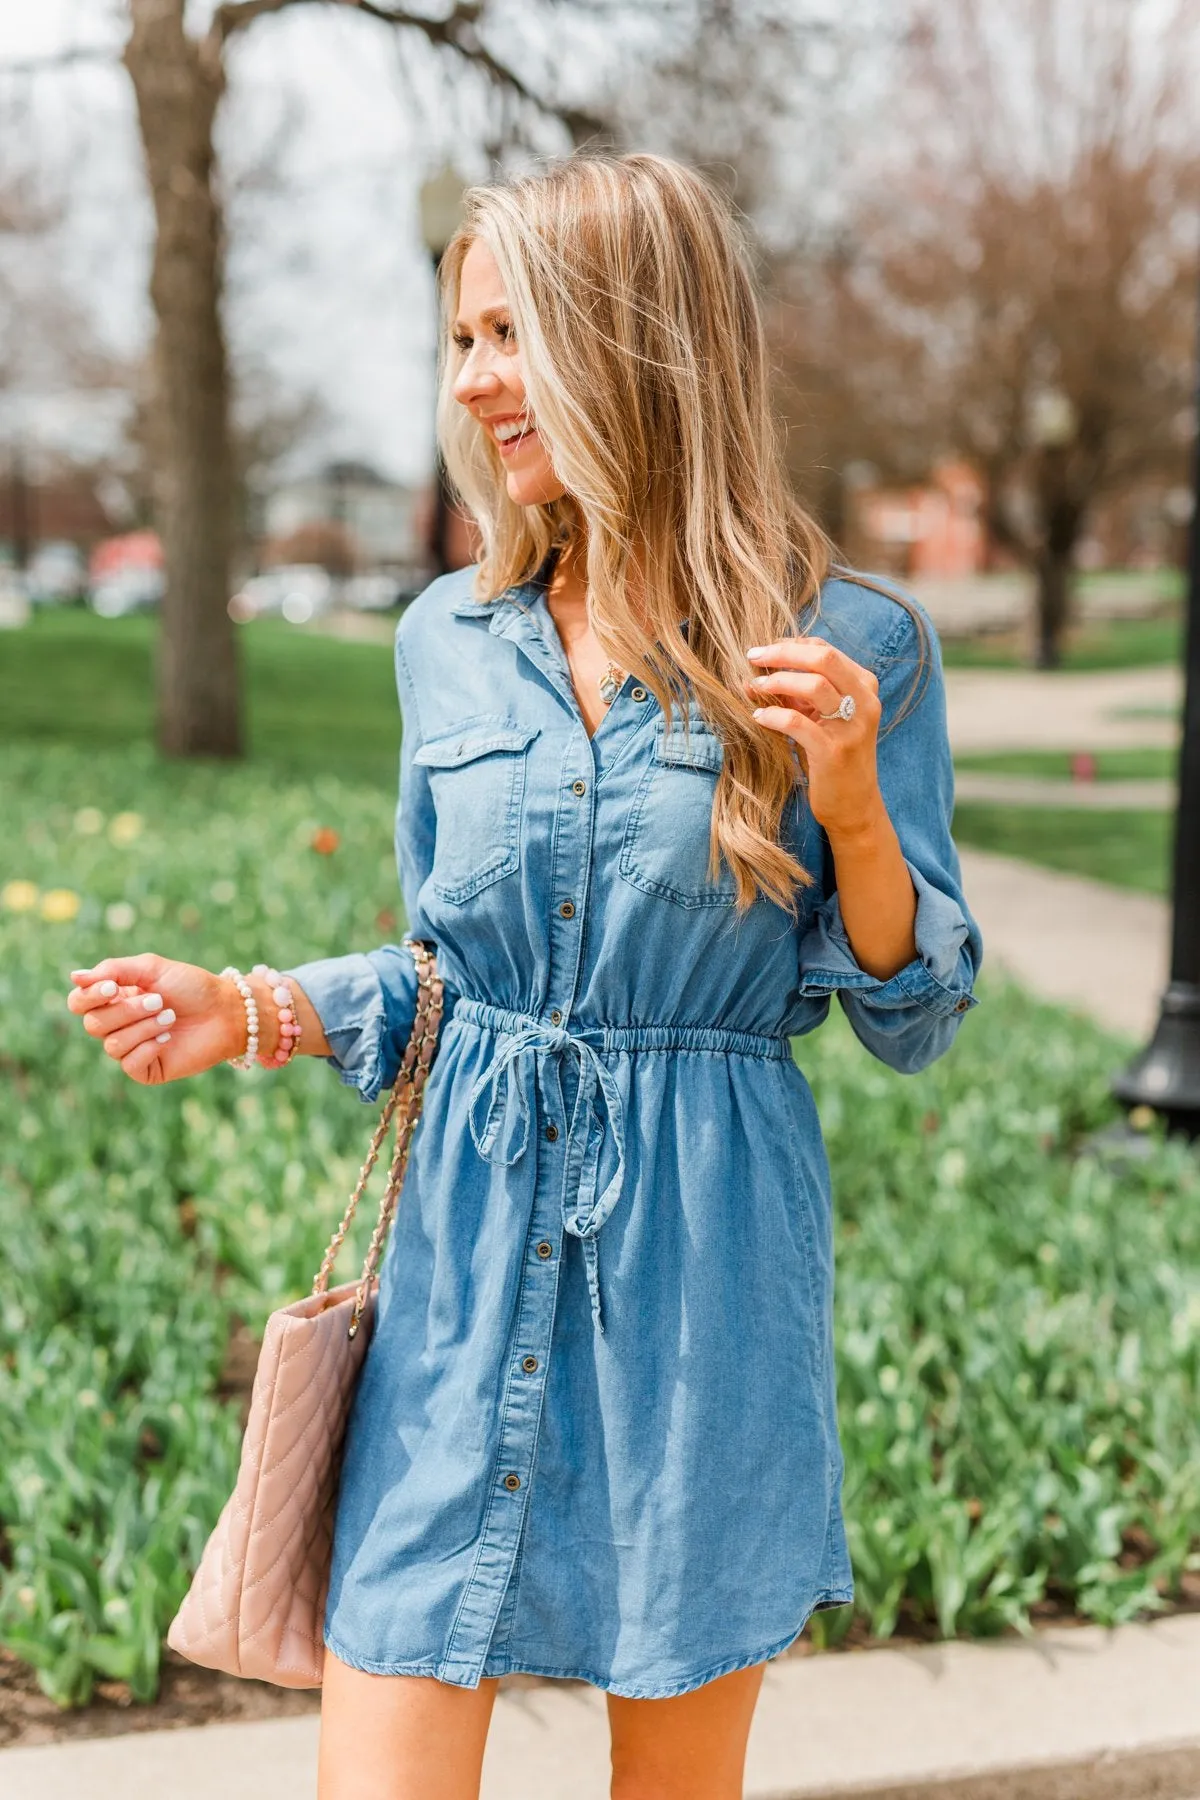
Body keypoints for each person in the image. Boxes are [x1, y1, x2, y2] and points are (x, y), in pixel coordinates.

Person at [67, 151, 982, 1800]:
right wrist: (250, 1006)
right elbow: (453, 978)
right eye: (463, 338)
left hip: (701, 1295)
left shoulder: (851, 643)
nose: (480, 378)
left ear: (642, 343)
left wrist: (849, 803)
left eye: (517, 333)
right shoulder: (447, 637)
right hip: (459, 1277)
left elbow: (914, 1014)